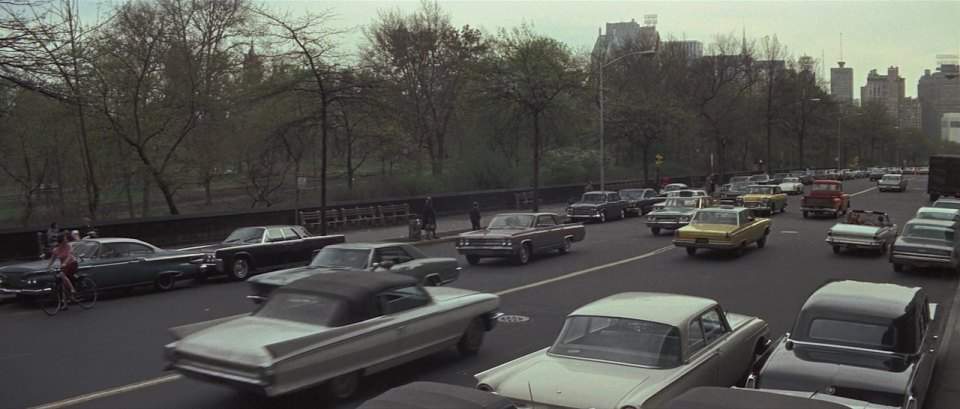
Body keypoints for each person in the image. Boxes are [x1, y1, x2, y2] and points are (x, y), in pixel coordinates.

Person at [47, 234, 77, 299]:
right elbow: (52, 259)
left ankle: (72, 289)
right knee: (63, 283)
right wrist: (49, 266)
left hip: (72, 264)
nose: (67, 240)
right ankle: (65, 304)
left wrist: (65, 263)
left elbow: (70, 255)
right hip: (64, 266)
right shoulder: (56, 250)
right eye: (65, 238)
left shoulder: (69, 246)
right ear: (62, 241)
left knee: (61, 274)